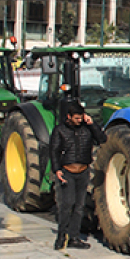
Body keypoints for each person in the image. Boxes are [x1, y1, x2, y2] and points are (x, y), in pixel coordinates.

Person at [50, 100, 106, 251]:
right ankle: (62, 236)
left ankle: (74, 237)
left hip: (83, 171)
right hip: (67, 172)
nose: (79, 120)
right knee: (67, 205)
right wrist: (57, 169)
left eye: (81, 117)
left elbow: (102, 139)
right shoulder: (60, 130)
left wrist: (92, 124)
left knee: (79, 207)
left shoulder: (86, 129)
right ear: (69, 116)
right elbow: (54, 151)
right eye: (76, 118)